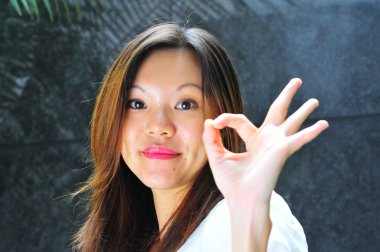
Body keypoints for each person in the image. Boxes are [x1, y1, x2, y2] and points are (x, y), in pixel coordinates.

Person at [71, 23, 328, 252]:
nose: (159, 127)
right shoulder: (129, 233)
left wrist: (249, 212)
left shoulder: (241, 215)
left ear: (222, 115)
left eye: (185, 104)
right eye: (137, 104)